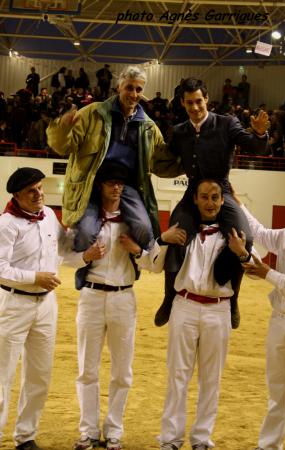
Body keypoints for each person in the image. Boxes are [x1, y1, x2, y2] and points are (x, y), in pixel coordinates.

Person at [124, 179, 252, 450]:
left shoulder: (234, 237)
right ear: (194, 199)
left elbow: (256, 268)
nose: (209, 203)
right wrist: (162, 239)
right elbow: (151, 265)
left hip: (219, 309)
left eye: (215, 197)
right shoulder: (182, 232)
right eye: (204, 197)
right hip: (184, 306)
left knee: (211, 378)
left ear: (222, 201)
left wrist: (242, 255)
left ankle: (202, 439)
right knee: (177, 375)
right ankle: (170, 438)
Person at [66, 161, 185, 450]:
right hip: (92, 297)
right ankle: (88, 432)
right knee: (87, 370)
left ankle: (114, 431)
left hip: (123, 297)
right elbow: (64, 256)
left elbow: (154, 266)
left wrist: (139, 251)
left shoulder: (133, 224)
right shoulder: (86, 221)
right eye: (111, 182)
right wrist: (86, 256)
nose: (117, 187)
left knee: (122, 371)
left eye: (120, 183)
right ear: (101, 186)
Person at [151, 77, 269, 328]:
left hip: (221, 191)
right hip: (193, 191)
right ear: (183, 103)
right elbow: (166, 158)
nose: (194, 107)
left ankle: (233, 299)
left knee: (244, 237)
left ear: (206, 100)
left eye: (198, 101)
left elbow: (255, 147)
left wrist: (259, 132)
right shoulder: (180, 131)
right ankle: (169, 297)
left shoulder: (227, 123)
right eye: (189, 102)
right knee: (176, 233)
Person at [46, 65, 166, 287]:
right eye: (129, 87)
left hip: (126, 186)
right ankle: (84, 272)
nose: (134, 94)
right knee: (84, 232)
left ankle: (135, 264)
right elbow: (62, 146)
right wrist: (62, 127)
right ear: (119, 86)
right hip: (90, 184)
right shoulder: (92, 113)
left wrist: (190, 160)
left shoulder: (148, 127)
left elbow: (162, 162)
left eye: (139, 89)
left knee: (144, 228)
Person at [0, 168, 65, 450]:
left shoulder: (49, 215)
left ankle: (26, 436)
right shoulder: (6, 224)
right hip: (13, 303)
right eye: (32, 191)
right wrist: (34, 277)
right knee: (2, 375)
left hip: (45, 305)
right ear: (17, 195)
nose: (39, 194)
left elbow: (63, 249)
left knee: (39, 374)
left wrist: (86, 254)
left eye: (40, 187)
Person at [232, 194, 285, 450]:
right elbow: (258, 232)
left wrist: (268, 273)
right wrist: (238, 203)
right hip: (280, 321)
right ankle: (269, 446)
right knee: (277, 390)